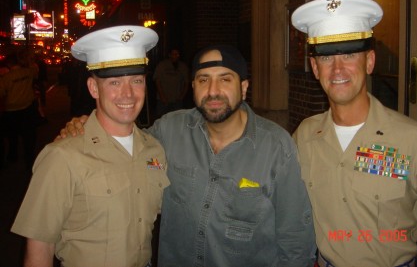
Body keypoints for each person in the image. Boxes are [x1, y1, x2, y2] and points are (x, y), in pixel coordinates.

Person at [59, 44, 316, 267]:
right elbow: (125, 144)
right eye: (203, 79)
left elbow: (295, 241)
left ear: (244, 87)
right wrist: (88, 125)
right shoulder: (169, 131)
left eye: (225, 79)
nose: (213, 90)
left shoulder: (276, 147)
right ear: (192, 86)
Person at [290, 0, 417, 267]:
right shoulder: (305, 136)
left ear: (370, 62)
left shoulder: (414, 140)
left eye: (350, 54)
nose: (338, 68)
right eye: (327, 58)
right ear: (315, 68)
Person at [11, 25, 170, 267]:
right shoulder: (62, 156)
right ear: (93, 88)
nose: (128, 94)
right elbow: (39, 249)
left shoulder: (154, 151)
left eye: (136, 80)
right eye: (114, 83)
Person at [0, 48, 39, 169]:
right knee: (28, 136)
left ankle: (12, 156)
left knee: (12, 136)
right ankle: (30, 159)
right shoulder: (28, 72)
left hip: (11, 111)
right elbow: (36, 70)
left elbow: (1, 93)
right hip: (27, 108)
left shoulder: (6, 77)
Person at [153, 47, 189, 118]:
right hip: (163, 100)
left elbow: (187, 82)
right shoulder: (162, 65)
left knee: (177, 119)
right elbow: (157, 81)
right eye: (173, 54)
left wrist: (182, 96)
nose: (175, 56)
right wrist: (162, 96)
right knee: (161, 118)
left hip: (177, 100)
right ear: (169, 55)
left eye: (177, 54)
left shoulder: (183, 66)